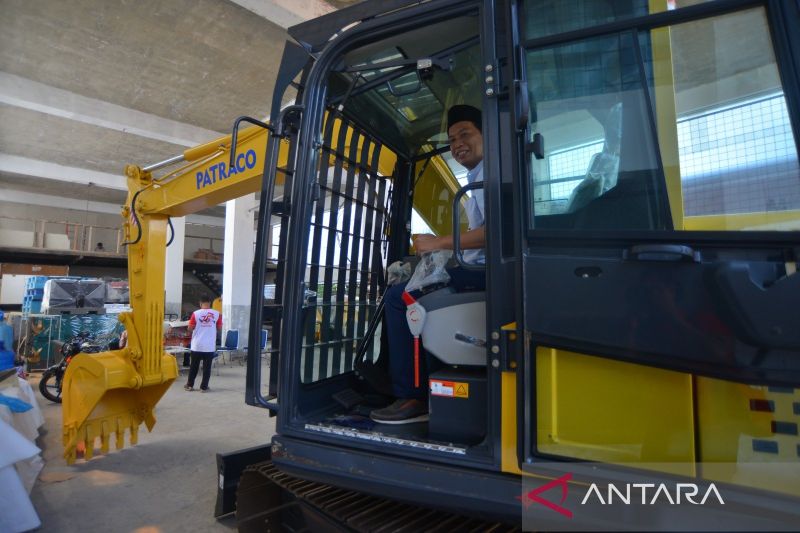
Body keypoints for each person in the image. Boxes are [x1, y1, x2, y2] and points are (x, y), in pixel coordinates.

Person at [371, 104, 486, 424]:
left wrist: (439, 243)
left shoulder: (490, 174)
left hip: (487, 273)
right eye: (451, 139)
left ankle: (412, 395)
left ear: (487, 134)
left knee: (399, 298)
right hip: (480, 268)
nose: (457, 143)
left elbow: (497, 233)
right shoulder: (478, 175)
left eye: (466, 134)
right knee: (411, 281)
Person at [185, 296, 221, 392]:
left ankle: (189, 385)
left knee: (194, 366)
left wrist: (192, 328)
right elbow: (219, 328)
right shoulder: (217, 314)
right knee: (207, 368)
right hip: (209, 346)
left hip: (197, 345)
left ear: (200, 303)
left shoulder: (196, 314)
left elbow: (190, 328)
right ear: (210, 303)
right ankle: (204, 387)